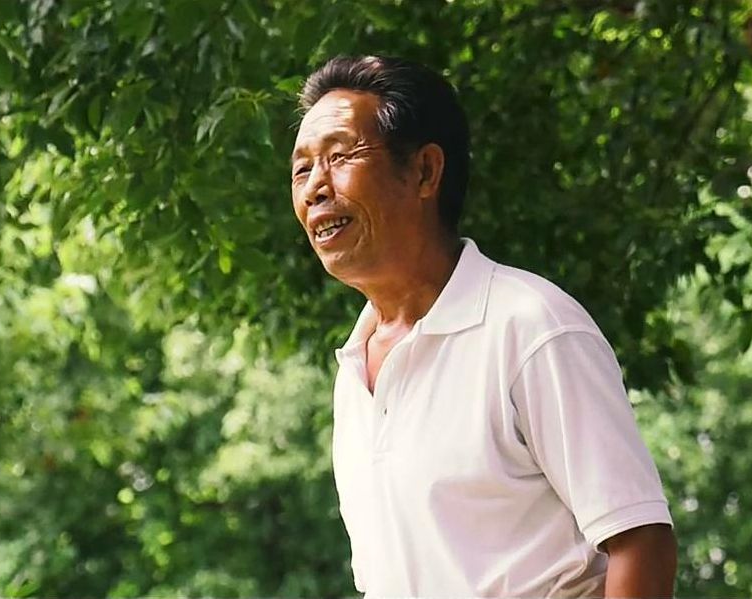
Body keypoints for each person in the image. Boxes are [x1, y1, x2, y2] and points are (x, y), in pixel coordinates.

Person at [289, 55, 677, 598]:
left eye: (339, 157)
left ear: (425, 171)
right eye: (301, 168)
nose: (314, 188)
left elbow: (641, 540)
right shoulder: (355, 370)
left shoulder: (532, 328)